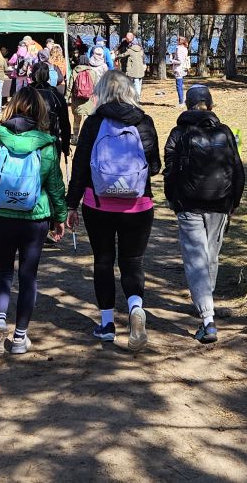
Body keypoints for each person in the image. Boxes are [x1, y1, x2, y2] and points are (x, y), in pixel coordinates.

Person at [0, 88, 68, 358]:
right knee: (28, 276)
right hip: (35, 219)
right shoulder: (46, 143)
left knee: (2, 272)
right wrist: (60, 217)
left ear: (12, 107)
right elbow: (55, 185)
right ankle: (19, 338)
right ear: (41, 111)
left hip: (0, 216)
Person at [66, 70, 161, 349]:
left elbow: (80, 166)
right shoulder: (144, 121)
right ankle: (135, 308)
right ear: (130, 91)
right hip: (138, 205)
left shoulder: (94, 122)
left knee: (103, 261)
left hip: (98, 204)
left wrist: (71, 205)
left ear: (102, 92)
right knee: (133, 262)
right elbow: (155, 166)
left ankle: (107, 324)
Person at [163, 84, 245, 343]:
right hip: (220, 203)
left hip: (188, 204)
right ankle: (205, 304)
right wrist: (234, 201)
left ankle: (207, 318)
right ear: (210, 105)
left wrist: (172, 199)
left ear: (188, 105)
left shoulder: (178, 133)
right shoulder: (225, 132)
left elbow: (170, 170)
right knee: (210, 256)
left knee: (195, 259)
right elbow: (237, 168)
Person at [30, 62, 72, 161]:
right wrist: (65, 146)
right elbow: (65, 123)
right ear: (48, 76)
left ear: (32, 75)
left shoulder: (23, 94)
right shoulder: (56, 95)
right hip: (51, 144)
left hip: (28, 144)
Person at [68, 53, 97, 137]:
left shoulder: (74, 71)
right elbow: (96, 87)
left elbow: (70, 87)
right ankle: (86, 137)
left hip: (76, 100)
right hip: (89, 100)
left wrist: (67, 97)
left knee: (76, 119)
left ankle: (75, 137)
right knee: (87, 120)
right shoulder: (92, 72)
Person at [115, 32, 147, 97]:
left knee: (136, 80)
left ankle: (136, 95)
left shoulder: (137, 44)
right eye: (126, 38)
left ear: (132, 38)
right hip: (127, 63)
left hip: (135, 64)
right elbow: (118, 46)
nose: (127, 40)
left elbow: (142, 54)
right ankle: (130, 94)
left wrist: (144, 63)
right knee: (132, 79)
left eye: (128, 39)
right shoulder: (124, 41)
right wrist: (114, 51)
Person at [171, 35, 191, 105]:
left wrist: (172, 60)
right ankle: (183, 100)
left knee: (179, 86)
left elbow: (180, 61)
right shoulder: (185, 48)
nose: (176, 41)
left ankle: (181, 102)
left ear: (180, 41)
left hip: (179, 69)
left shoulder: (178, 48)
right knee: (181, 85)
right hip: (183, 68)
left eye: (177, 40)